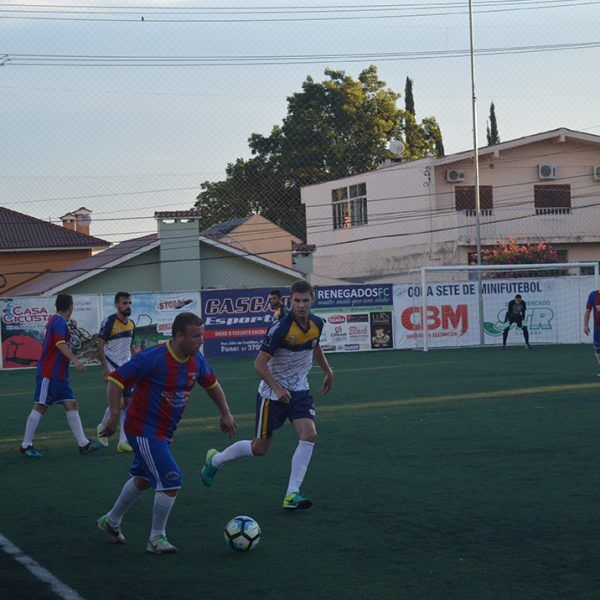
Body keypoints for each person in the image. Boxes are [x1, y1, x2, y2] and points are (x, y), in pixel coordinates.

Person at [96, 312, 237, 554]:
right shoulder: (153, 358)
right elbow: (116, 380)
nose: (201, 341)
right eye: (196, 336)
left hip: (164, 431)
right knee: (172, 480)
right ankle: (156, 538)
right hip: (142, 428)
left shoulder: (196, 361)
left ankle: (111, 520)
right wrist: (113, 417)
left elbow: (212, 384)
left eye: (202, 335)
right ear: (179, 336)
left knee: (143, 479)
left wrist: (225, 413)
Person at [201, 279, 334, 510]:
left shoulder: (317, 324)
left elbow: (315, 346)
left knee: (309, 434)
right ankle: (215, 460)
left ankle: (292, 494)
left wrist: (328, 370)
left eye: (305, 300)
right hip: (271, 396)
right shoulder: (280, 329)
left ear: (312, 300)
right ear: (290, 301)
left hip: (300, 391)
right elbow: (259, 364)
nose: (301, 305)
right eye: (297, 301)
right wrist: (278, 389)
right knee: (259, 448)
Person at [20, 294, 104, 458]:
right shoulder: (58, 321)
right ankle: (25, 445)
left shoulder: (58, 321)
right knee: (40, 406)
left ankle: (83, 444)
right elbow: (60, 344)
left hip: (59, 374)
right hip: (49, 373)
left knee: (71, 404)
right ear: (70, 307)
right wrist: (75, 360)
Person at [96, 292, 137, 453]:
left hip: (127, 369)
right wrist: (105, 367)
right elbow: (99, 345)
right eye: (124, 303)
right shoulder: (109, 322)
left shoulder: (132, 324)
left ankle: (122, 442)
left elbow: (131, 346)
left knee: (127, 404)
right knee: (118, 404)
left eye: (129, 303)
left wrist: (137, 365)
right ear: (117, 305)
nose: (128, 306)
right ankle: (103, 427)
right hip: (112, 369)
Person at [583, 289, 600, 375]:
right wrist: (586, 325)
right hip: (597, 329)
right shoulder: (593, 295)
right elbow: (588, 311)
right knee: (597, 349)